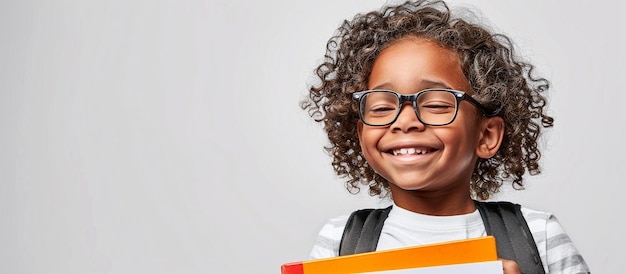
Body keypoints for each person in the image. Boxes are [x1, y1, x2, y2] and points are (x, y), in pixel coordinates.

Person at [300, 0, 590, 273]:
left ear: (486, 135)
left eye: (436, 104)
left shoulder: (540, 237)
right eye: (381, 107)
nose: (405, 121)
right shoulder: (340, 242)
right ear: (362, 134)